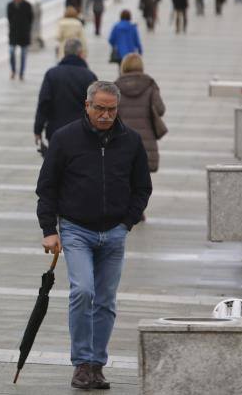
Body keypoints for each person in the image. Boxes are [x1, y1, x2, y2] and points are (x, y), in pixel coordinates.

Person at [36, 81, 152, 390]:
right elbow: (46, 187)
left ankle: (97, 365)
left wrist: (126, 222)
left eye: (111, 110)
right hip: (76, 229)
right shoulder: (65, 139)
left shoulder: (130, 140)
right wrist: (49, 230)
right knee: (83, 291)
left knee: (105, 301)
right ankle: (81, 363)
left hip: (114, 232)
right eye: (99, 108)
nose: (105, 115)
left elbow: (142, 187)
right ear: (87, 106)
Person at [34, 38, 98, 146]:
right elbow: (96, 106)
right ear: (81, 53)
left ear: (64, 53)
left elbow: (44, 103)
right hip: (81, 132)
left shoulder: (52, 74)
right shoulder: (89, 76)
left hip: (55, 131)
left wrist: (38, 129)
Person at [115, 53, 166, 174]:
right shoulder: (150, 85)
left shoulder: (115, 87)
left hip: (122, 143)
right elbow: (161, 110)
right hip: (146, 144)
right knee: (142, 186)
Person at [7, 0, 34, 81]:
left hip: (24, 34)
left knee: (23, 55)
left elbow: (31, 18)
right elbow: (9, 17)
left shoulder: (27, 5)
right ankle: (13, 70)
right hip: (13, 33)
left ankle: (21, 73)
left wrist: (26, 28)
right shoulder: (10, 5)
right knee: (11, 52)